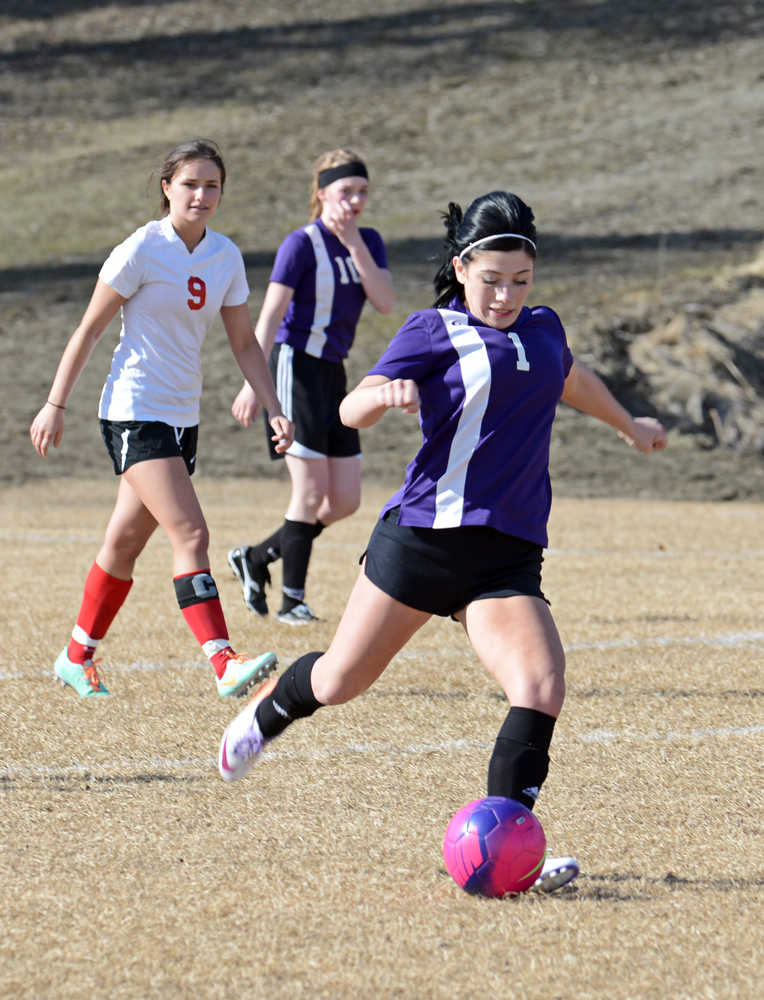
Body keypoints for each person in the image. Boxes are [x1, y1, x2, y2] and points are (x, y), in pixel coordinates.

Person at [216, 190, 667, 892]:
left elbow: (570, 379)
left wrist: (628, 426)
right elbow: (348, 407)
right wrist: (382, 398)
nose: (506, 294)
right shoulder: (433, 330)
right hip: (423, 542)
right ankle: (270, 710)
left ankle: (507, 847)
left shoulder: (544, 329)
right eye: (492, 279)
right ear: (461, 266)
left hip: (506, 554)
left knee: (541, 686)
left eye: (521, 280)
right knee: (339, 680)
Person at [29, 138, 294, 699]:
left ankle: (77, 656)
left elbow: (245, 343)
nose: (201, 194)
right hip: (133, 410)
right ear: (167, 188)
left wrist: (273, 405)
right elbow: (89, 331)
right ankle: (224, 661)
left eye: (212, 185)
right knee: (191, 532)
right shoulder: (141, 249)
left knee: (123, 546)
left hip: (181, 418)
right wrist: (55, 404)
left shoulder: (224, 256)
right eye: (190, 183)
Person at [227, 148, 395, 625]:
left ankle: (257, 558)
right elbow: (269, 317)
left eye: (363, 192)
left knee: (345, 500)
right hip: (293, 367)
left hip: (334, 375)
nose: (356, 200)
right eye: (346, 192)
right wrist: (252, 386)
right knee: (310, 490)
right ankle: (292, 601)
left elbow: (384, 301)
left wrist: (355, 244)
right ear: (322, 194)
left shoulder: (369, 242)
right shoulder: (300, 244)